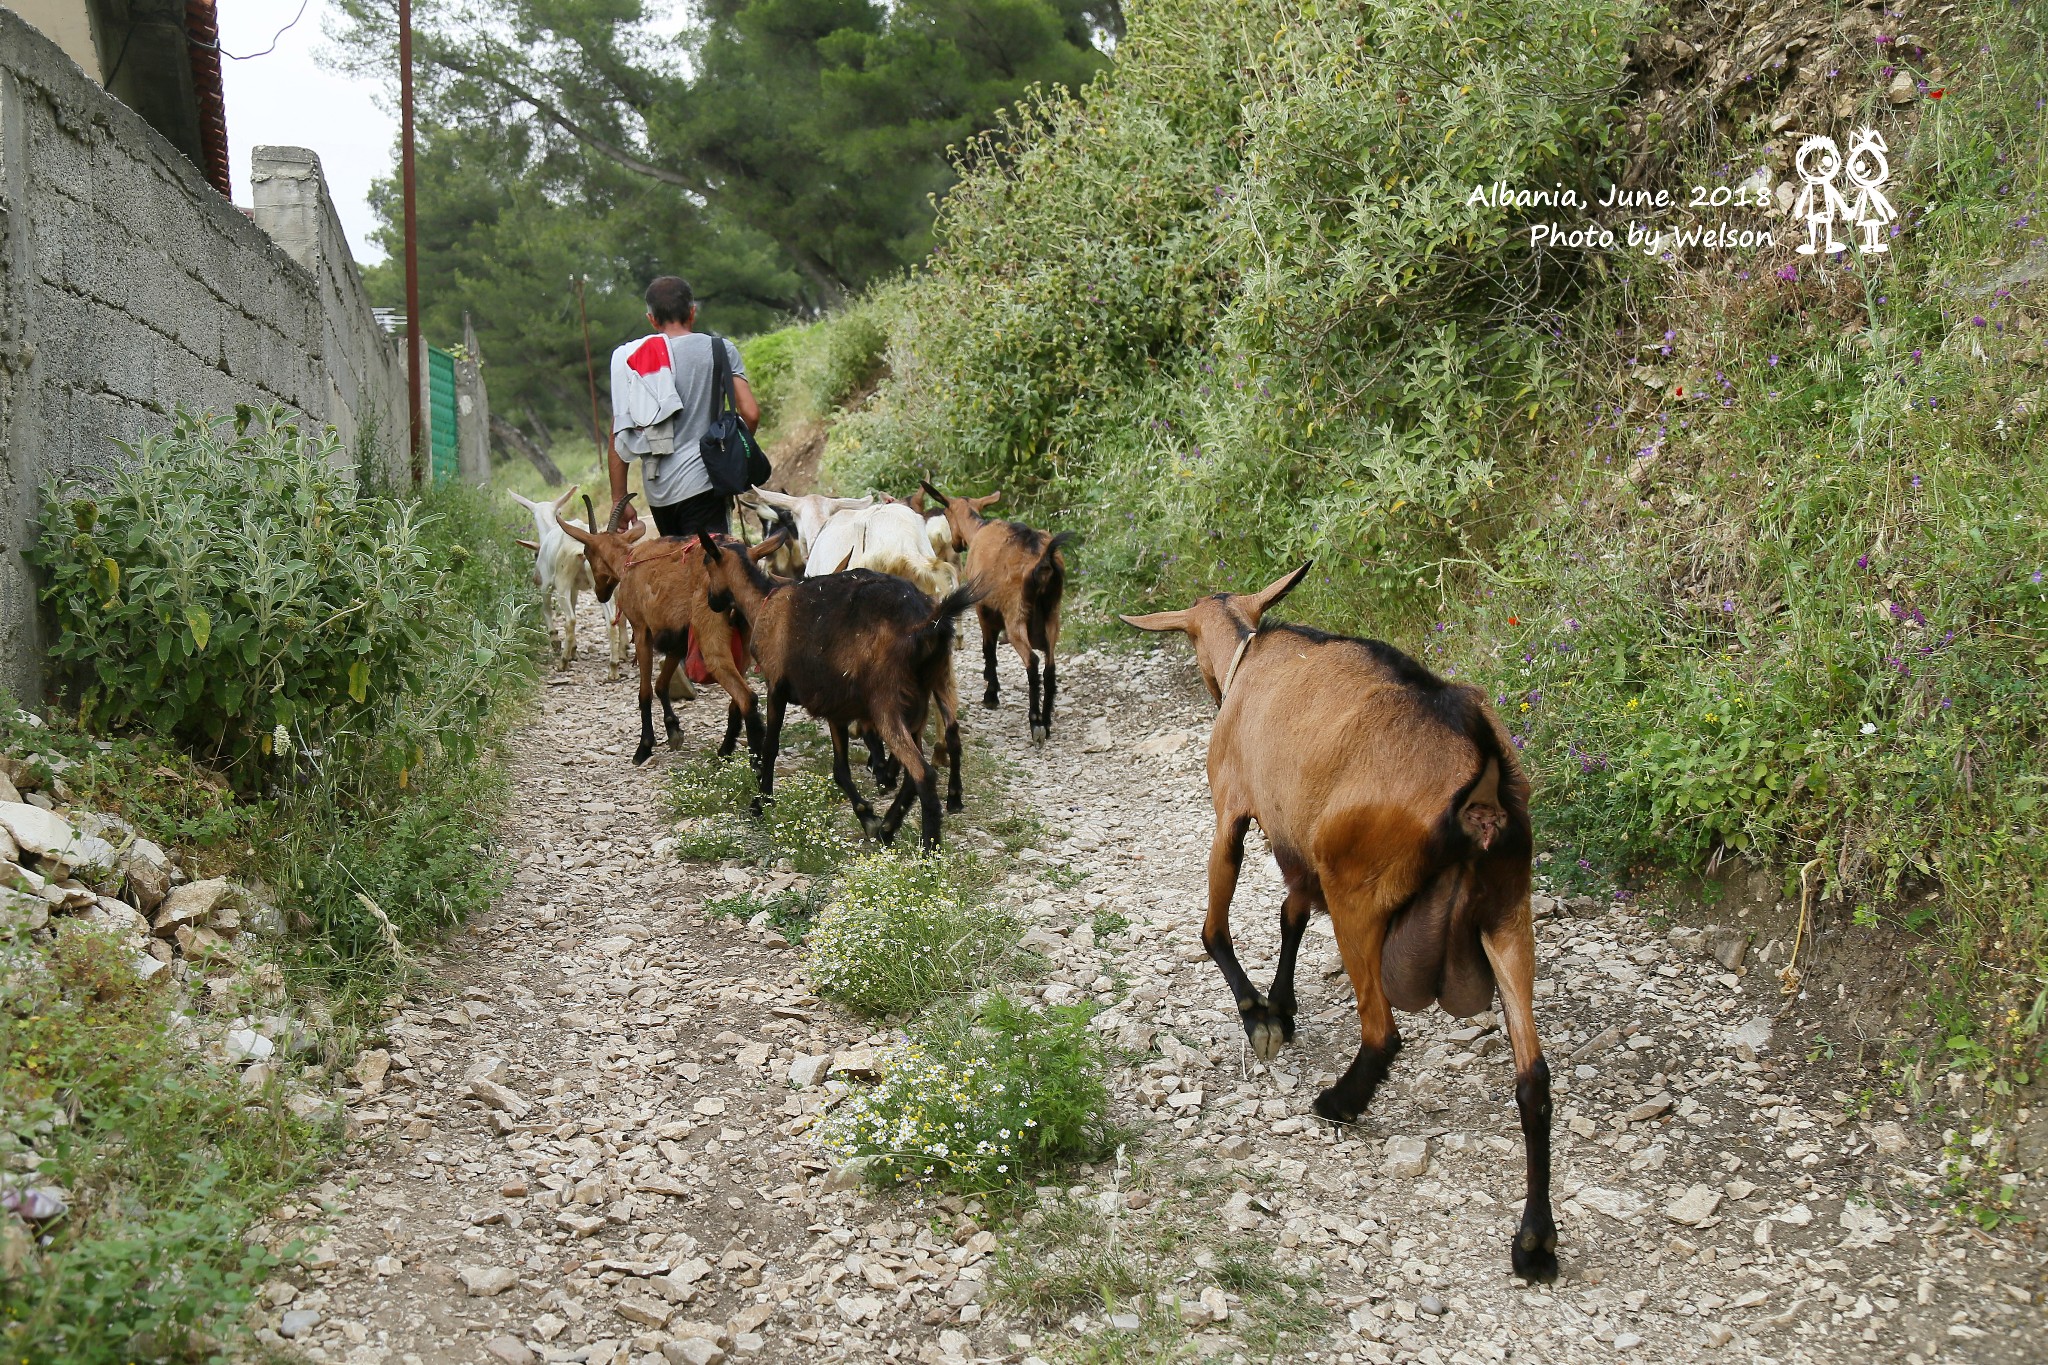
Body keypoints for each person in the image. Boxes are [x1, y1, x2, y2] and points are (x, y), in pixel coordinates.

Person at [607, 276, 761, 539]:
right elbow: (750, 413)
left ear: (652, 319)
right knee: (712, 571)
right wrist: (732, 457)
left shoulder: (632, 359)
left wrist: (619, 499)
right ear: (692, 312)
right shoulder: (719, 349)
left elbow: (619, 433)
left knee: (680, 572)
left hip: (659, 495)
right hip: (704, 484)